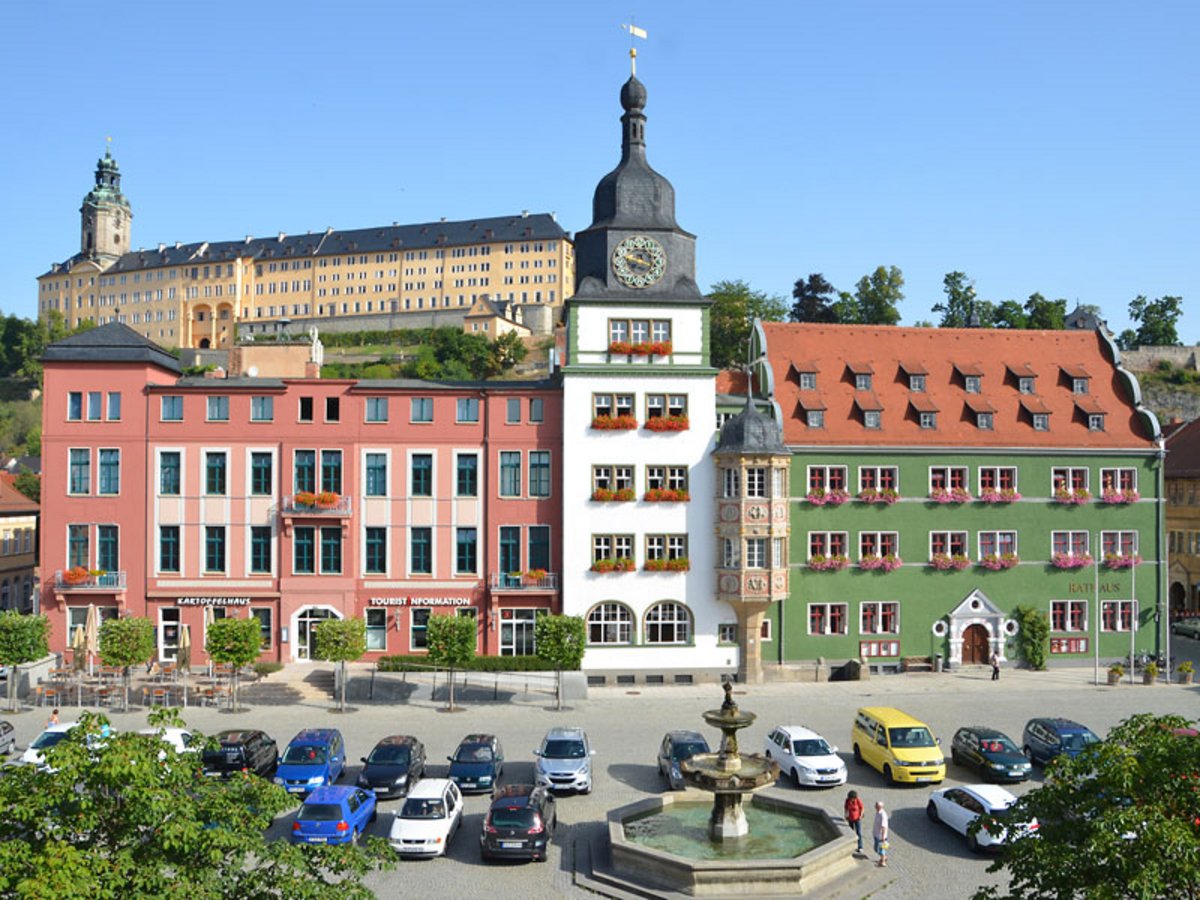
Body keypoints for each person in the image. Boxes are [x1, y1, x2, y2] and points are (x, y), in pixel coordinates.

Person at [844, 789, 864, 854]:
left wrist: (861, 815)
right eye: (851, 799)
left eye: (852, 799)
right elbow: (846, 808)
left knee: (859, 832)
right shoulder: (847, 801)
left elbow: (862, 808)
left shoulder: (857, 800)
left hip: (857, 818)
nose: (852, 800)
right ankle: (852, 845)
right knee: (851, 831)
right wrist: (846, 815)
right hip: (850, 818)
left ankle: (860, 847)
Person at [873, 800, 889, 867]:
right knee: (876, 849)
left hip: (881, 836)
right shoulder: (878, 812)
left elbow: (884, 827)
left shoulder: (883, 815)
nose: (874, 807)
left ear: (879, 807)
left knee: (881, 849)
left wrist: (883, 837)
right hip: (876, 834)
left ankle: (883, 862)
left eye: (876, 806)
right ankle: (884, 857)